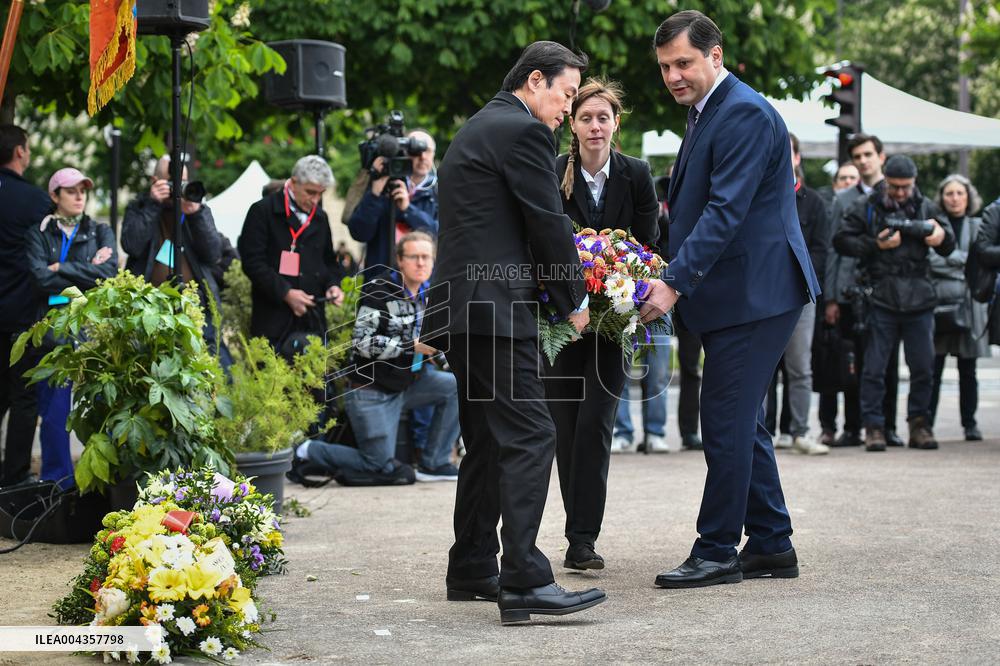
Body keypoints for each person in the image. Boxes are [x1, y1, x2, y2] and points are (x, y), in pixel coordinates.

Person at [422, 41, 606, 624]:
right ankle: (524, 576)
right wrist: (573, 296)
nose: (567, 110)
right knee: (531, 435)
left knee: (489, 440)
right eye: (567, 94)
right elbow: (546, 221)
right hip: (495, 313)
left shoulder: (481, 125)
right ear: (535, 81)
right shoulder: (523, 132)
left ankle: (475, 563)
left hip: (465, 311)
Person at [640, 10, 820, 588]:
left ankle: (717, 548)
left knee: (723, 421)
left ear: (715, 56)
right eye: (666, 66)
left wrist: (672, 282)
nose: (674, 75)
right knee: (743, 422)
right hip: (742, 292)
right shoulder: (708, 110)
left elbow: (725, 212)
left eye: (684, 63)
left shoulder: (741, 111)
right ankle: (770, 542)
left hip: (756, 293)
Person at [543, 77, 659, 570]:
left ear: (615, 124)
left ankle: (582, 538)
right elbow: (538, 245)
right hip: (561, 324)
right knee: (565, 430)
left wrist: (623, 286)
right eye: (586, 117)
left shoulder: (636, 175)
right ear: (573, 123)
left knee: (596, 426)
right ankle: (576, 530)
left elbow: (650, 248)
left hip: (614, 324)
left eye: (603, 118)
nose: (595, 126)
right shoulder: (551, 173)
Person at [292, 231, 460, 484]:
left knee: (458, 386)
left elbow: (435, 344)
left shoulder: (430, 293)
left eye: (426, 257)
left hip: (408, 384)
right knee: (377, 463)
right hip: (371, 391)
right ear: (400, 260)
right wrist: (409, 345)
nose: (421, 263)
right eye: (414, 257)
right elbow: (362, 343)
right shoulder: (378, 291)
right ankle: (306, 450)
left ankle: (433, 463)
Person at [834, 154, 955, 451]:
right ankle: (874, 427)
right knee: (874, 368)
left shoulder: (927, 207)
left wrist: (940, 235)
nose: (900, 192)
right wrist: (876, 244)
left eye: (906, 187)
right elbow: (841, 240)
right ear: (886, 181)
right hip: (883, 296)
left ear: (914, 182)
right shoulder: (867, 207)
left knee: (924, 367)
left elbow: (949, 244)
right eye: (895, 186)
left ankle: (919, 425)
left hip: (920, 298)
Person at [25, 168, 117, 489]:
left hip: (92, 331)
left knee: (99, 409)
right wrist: (84, 271)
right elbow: (39, 278)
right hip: (52, 333)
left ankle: (99, 486)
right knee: (54, 414)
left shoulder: (100, 230)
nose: (79, 196)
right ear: (55, 196)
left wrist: (62, 268)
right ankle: (57, 483)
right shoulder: (38, 233)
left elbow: (107, 273)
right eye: (71, 191)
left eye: (83, 190)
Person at [820, 134, 901, 448]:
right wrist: (831, 296)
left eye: (868, 154)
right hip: (850, 290)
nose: (863, 161)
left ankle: (888, 426)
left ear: (881, 156)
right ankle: (853, 427)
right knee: (851, 359)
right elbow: (833, 249)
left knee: (887, 362)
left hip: (888, 290)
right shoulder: (842, 199)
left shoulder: (900, 192)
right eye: (858, 156)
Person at [121, 155, 230, 367]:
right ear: (155, 181)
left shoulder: (197, 209)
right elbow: (132, 245)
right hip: (150, 308)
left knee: (214, 370)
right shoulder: (140, 206)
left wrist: (195, 214)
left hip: (195, 308)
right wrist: (153, 204)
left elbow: (213, 254)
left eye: (182, 183)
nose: (177, 189)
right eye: (171, 183)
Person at [0, 125, 58, 487]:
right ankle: (14, 478)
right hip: (22, 313)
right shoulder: (36, 201)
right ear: (20, 151)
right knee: (24, 399)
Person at [238, 155, 344, 352]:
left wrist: (332, 285)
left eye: (320, 194)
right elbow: (252, 262)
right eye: (310, 192)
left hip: (312, 319)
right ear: (293, 182)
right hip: (273, 319)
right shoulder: (262, 211)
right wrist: (285, 292)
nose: (315, 200)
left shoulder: (320, 218)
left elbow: (329, 262)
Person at [766, 134, 831, 455]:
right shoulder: (761, 195)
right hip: (765, 293)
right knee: (764, 367)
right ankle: (764, 431)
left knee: (800, 366)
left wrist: (797, 274)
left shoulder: (814, 202)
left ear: (796, 158)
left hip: (801, 292)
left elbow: (821, 250)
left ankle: (801, 432)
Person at [928, 174, 989, 441]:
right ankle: (925, 423)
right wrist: (963, 262)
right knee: (934, 367)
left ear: (968, 197)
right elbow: (932, 261)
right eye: (949, 193)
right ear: (942, 198)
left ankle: (970, 423)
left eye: (959, 193)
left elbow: (982, 260)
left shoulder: (978, 225)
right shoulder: (935, 225)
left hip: (969, 304)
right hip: (938, 304)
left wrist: (952, 261)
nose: (954, 198)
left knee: (968, 368)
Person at [347, 130, 438, 270]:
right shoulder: (382, 185)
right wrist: (375, 193)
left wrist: (408, 210)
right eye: (416, 151)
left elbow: (439, 235)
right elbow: (359, 233)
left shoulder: (439, 190)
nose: (422, 156)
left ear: (433, 154)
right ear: (403, 153)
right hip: (381, 282)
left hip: (421, 285)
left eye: (427, 151)